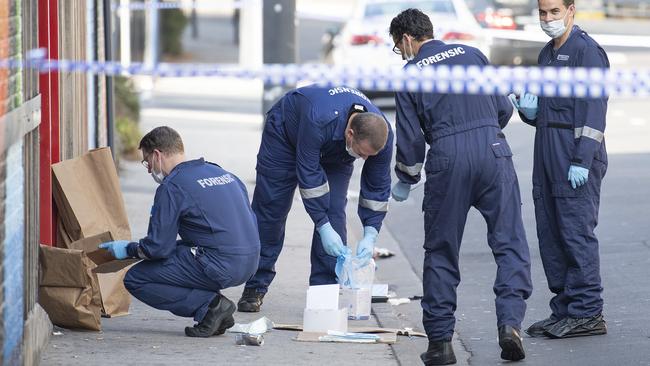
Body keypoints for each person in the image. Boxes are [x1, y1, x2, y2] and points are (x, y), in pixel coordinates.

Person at [389, 9, 532, 364]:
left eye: (398, 47)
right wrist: (483, 130)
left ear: (407, 39)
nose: (401, 53)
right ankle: (510, 325)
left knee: (441, 251)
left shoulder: (411, 74)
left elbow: (409, 139)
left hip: (448, 157)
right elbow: (502, 107)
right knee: (510, 243)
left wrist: (406, 178)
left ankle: (440, 344)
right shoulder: (472, 54)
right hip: (492, 149)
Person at [236, 85, 393, 313]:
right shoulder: (319, 119)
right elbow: (308, 176)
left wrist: (371, 232)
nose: (363, 159)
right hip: (286, 137)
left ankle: (324, 293)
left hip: (335, 150)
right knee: (271, 210)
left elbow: (378, 186)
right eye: (361, 154)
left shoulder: (382, 135)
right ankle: (255, 285)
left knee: (334, 212)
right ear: (351, 134)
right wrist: (321, 224)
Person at [99, 126, 260, 338]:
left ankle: (211, 306)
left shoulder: (172, 186)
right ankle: (217, 314)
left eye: (147, 162)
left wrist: (128, 249)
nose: (149, 170)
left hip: (221, 264)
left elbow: (158, 248)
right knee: (179, 249)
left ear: (157, 155)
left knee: (137, 278)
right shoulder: (222, 173)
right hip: (251, 263)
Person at [509, 0, 609, 339]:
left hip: (574, 155)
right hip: (548, 152)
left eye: (554, 12)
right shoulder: (546, 54)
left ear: (571, 10)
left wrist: (582, 160)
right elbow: (545, 108)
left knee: (575, 232)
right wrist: (528, 112)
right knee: (551, 233)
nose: (548, 18)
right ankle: (565, 308)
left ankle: (587, 312)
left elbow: (593, 112)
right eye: (543, 12)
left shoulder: (587, 52)